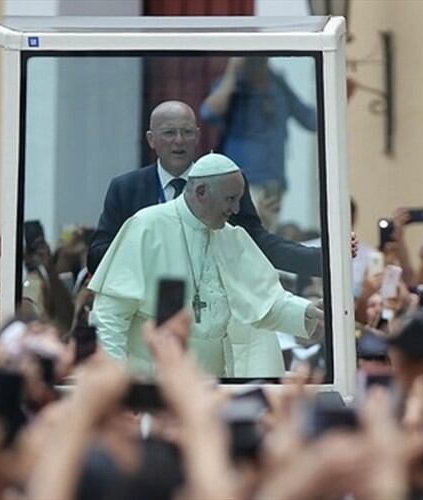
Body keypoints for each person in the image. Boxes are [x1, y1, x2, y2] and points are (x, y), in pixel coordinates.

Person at [88, 153, 323, 376]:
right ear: (201, 192)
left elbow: (265, 302)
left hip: (213, 382)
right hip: (153, 380)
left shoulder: (231, 236)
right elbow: (110, 316)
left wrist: (308, 311)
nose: (236, 209)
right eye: (230, 199)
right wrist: (115, 385)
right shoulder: (147, 227)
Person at [87, 100, 321, 277]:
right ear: (151, 139)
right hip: (147, 308)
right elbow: (98, 256)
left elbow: (257, 243)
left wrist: (323, 259)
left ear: (197, 136)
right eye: (169, 132)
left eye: (187, 132)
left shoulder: (225, 180)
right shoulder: (126, 188)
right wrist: (151, 249)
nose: (179, 140)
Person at [200, 57, 317, 231]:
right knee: (237, 238)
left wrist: (339, 98)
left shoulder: (277, 83)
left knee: (266, 241)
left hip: (273, 183)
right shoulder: (234, 86)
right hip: (239, 185)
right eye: (252, 59)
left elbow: (312, 121)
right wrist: (231, 73)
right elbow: (208, 112)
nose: (257, 63)